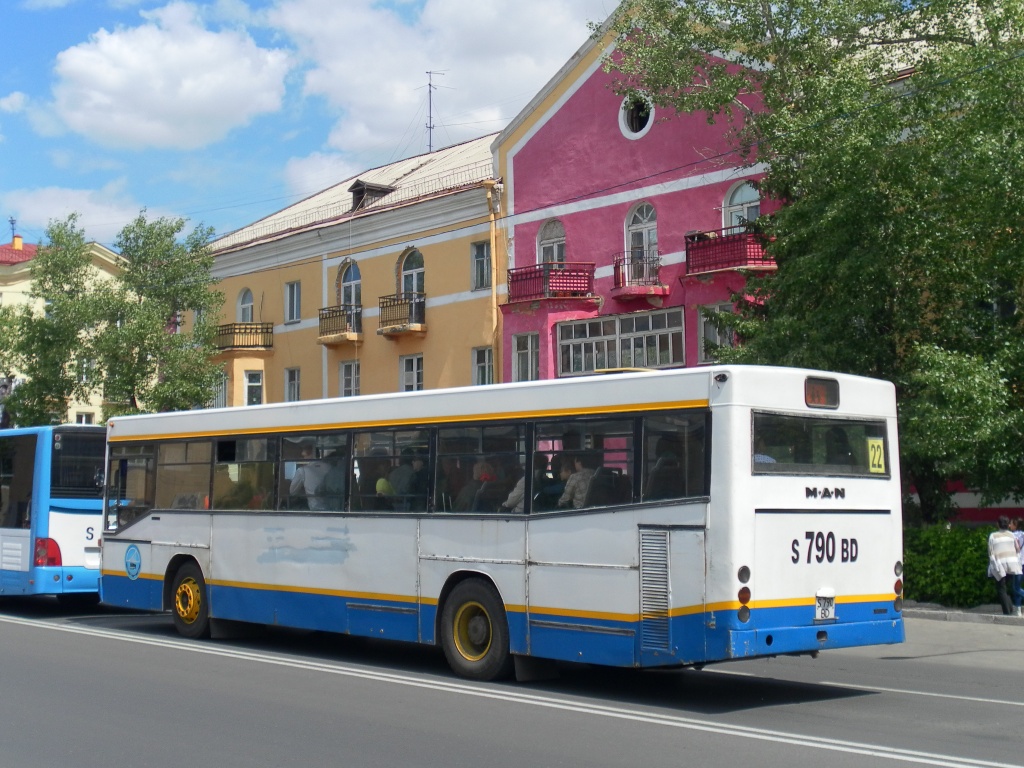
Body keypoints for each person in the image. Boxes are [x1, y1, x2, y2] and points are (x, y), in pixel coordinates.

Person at [987, 515, 1022, 616]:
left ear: (998, 524)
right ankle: (1010, 607)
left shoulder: (993, 535)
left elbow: (990, 552)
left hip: (1000, 565)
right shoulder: (1012, 535)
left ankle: (1007, 612)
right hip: (1013, 565)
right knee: (1005, 587)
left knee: (1001, 588)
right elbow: (1018, 549)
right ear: (1007, 525)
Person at [289, 443, 330, 511]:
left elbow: (292, 492)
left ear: (311, 455)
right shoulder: (330, 467)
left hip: (314, 509)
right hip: (332, 509)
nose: (304, 459)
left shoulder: (303, 470)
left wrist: (304, 489)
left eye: (305, 456)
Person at [1009, 517, 1024, 616]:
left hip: (1017, 563)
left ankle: (1018, 609)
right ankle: (1018, 609)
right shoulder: (1023, 534)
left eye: (1011, 524)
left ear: (1015, 525)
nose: (1009, 525)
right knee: (1017, 587)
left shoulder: (1012, 535)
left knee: (1015, 587)